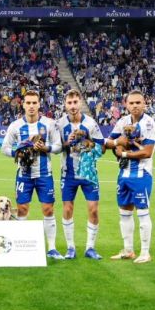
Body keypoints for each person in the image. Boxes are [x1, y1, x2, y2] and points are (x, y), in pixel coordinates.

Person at [1, 90, 63, 259]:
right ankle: (21, 247)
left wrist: (45, 148)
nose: (31, 106)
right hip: (24, 175)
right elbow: (4, 148)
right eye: (28, 103)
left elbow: (58, 146)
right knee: (22, 208)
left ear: (39, 104)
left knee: (48, 208)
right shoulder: (15, 126)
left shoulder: (50, 124)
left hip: (44, 174)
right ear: (23, 104)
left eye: (34, 103)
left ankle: (51, 247)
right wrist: (19, 152)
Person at [104, 90, 155, 264]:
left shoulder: (149, 123)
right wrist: (118, 145)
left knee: (142, 213)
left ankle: (145, 252)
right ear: (126, 105)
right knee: (124, 213)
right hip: (124, 175)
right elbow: (108, 143)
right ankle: (128, 250)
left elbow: (147, 152)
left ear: (144, 104)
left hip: (141, 175)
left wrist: (123, 153)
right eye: (131, 103)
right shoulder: (122, 122)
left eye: (138, 103)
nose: (134, 106)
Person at [56, 90, 104, 260]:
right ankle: (70, 247)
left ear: (80, 103)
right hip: (68, 174)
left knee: (93, 209)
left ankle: (90, 248)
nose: (73, 106)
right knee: (68, 209)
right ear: (65, 105)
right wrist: (67, 143)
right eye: (69, 103)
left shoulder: (91, 124)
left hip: (88, 174)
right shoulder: (60, 124)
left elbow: (102, 148)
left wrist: (85, 144)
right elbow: (56, 149)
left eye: (75, 102)